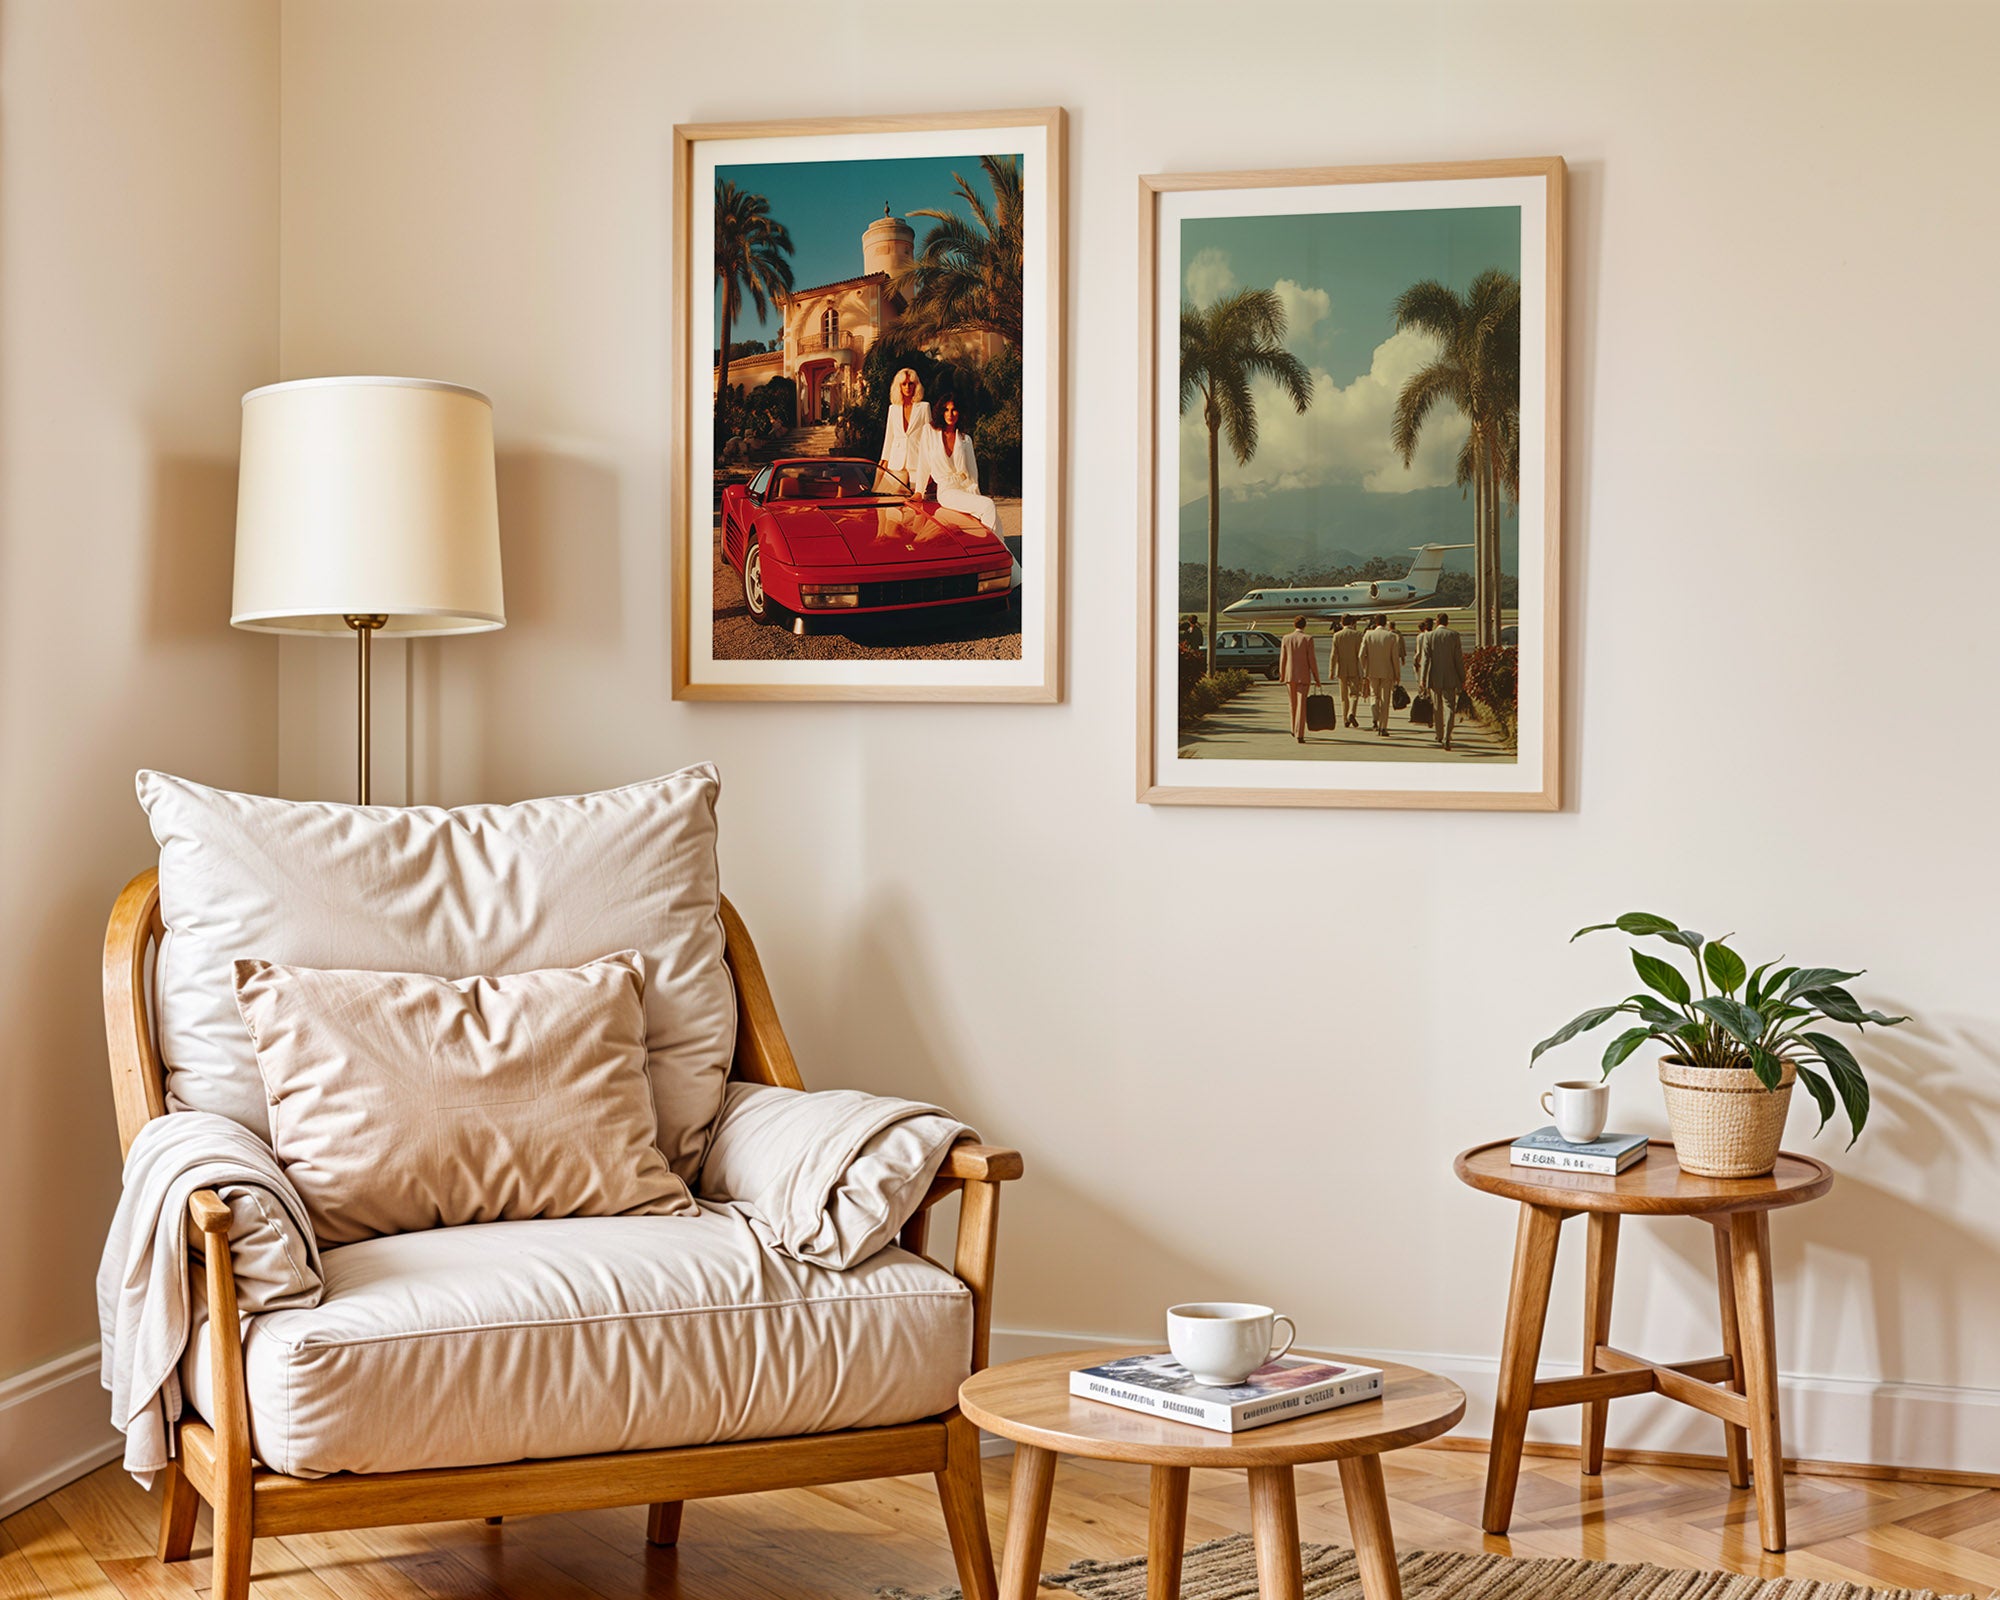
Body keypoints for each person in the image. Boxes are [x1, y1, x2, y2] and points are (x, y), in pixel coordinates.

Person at [916, 395, 998, 533]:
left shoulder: (965, 439)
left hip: (966, 488)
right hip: (947, 490)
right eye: (946, 410)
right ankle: (989, 544)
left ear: (960, 412)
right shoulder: (929, 431)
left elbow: (972, 473)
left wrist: (976, 495)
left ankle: (997, 546)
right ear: (941, 412)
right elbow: (923, 462)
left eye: (954, 410)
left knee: (992, 516)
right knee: (988, 505)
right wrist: (919, 491)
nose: (950, 414)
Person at [877, 367, 931, 493]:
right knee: (892, 498)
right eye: (904, 384)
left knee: (918, 496)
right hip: (896, 460)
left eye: (911, 384)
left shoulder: (924, 407)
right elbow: (889, 436)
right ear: (899, 386)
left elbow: (929, 437)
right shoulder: (893, 409)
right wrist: (884, 459)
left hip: (917, 460)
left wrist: (930, 463)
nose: (907, 387)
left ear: (916, 386)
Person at [1425, 611, 1467, 750]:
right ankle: (1447, 736)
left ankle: (1439, 734)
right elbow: (1458, 659)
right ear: (1447, 622)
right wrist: (1462, 677)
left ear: (1437, 622)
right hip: (1450, 676)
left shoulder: (1430, 636)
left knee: (1437, 707)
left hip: (1435, 676)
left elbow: (1425, 660)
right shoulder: (1454, 635)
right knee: (1449, 707)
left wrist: (1423, 679)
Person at [1276, 615, 1321, 742]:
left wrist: (1282, 674)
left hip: (1290, 676)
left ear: (1294, 625)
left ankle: (1293, 728)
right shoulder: (1308, 639)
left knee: (1292, 703)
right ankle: (1300, 733)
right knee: (1302, 705)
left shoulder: (1286, 638)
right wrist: (1316, 677)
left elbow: (1283, 658)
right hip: (1303, 676)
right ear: (1305, 625)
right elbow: (1312, 660)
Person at [1360, 613, 1401, 737]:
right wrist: (1397, 674)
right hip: (1387, 672)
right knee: (1385, 700)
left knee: (1374, 695)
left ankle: (1375, 718)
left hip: (1372, 671)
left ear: (1376, 623)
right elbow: (1395, 658)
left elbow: (1361, 655)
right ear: (1385, 623)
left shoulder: (1368, 635)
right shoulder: (1392, 636)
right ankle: (1383, 727)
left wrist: (1365, 668)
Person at [1331, 615, 1365, 728]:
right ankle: (1351, 713)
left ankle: (1345, 718)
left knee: (1343, 696)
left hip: (1341, 669)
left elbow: (1334, 655)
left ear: (1341, 623)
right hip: (1354, 668)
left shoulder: (1337, 636)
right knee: (1354, 694)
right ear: (1352, 623)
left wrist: (1331, 670)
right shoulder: (1358, 635)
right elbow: (1361, 654)